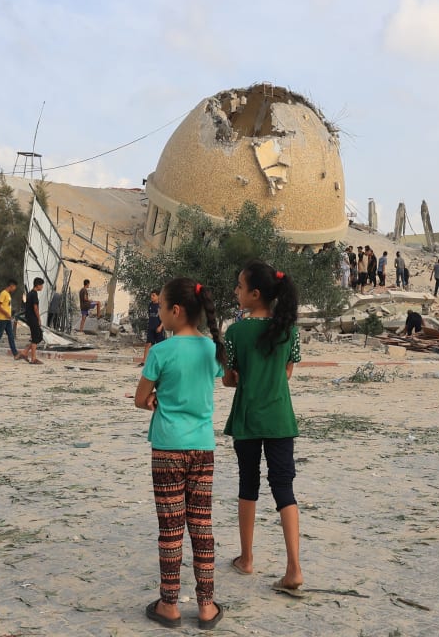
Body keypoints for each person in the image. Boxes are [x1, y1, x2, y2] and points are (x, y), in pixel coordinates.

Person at [134, 277, 225, 630]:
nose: (158, 314)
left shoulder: (160, 352)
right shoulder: (211, 350)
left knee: (170, 529)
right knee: (201, 525)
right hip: (202, 449)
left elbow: (141, 398)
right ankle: (206, 605)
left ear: (175, 311)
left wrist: (155, 401)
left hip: (167, 449)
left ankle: (169, 604)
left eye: (161, 308)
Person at [222, 261, 304, 593]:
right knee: (284, 488)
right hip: (280, 419)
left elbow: (229, 379)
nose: (236, 292)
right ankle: (294, 568)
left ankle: (247, 558)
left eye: (239, 287)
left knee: (248, 484)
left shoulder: (235, 332)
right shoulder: (290, 330)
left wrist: (241, 376)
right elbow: (286, 374)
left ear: (255, 294)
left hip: (248, 418)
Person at [23, 277, 44, 364]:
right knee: (36, 337)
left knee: (38, 336)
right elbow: (35, 308)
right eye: (41, 285)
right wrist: (39, 318)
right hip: (33, 318)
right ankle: (33, 359)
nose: (42, 287)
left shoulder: (30, 293)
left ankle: (24, 352)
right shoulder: (34, 294)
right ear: (38, 285)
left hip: (29, 317)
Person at [143, 289, 165, 363]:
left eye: (153, 295)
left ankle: (161, 361)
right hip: (151, 328)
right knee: (148, 344)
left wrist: (160, 327)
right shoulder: (150, 305)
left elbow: (164, 318)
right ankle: (144, 361)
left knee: (160, 346)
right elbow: (150, 316)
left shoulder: (161, 306)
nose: (152, 297)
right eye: (151, 295)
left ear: (158, 296)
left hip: (158, 328)